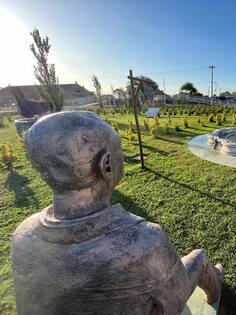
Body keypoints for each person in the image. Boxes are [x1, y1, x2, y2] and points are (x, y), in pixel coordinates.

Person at [11, 111, 223, 315]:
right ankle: (216, 289)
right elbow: (175, 302)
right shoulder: (144, 241)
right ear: (107, 166)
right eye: (119, 149)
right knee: (200, 258)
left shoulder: (22, 234)